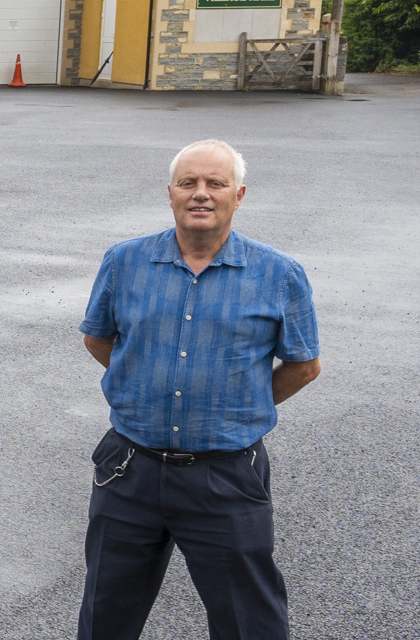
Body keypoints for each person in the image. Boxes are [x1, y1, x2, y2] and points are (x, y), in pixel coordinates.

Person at [76, 140, 321, 640]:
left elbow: (304, 364)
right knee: (106, 614)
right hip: (129, 469)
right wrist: (144, 387)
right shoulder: (125, 262)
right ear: (170, 193)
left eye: (216, 184)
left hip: (226, 476)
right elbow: (98, 337)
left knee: (248, 621)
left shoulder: (279, 274)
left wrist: (238, 404)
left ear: (240, 194)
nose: (201, 194)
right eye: (189, 183)